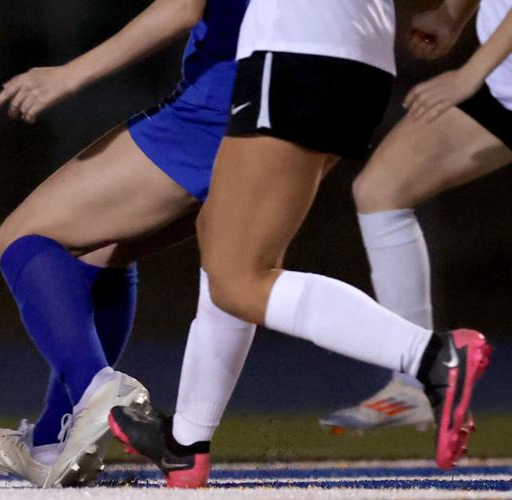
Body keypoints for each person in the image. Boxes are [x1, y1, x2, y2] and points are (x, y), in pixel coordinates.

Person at [109, 0, 494, 488]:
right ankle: (186, 443)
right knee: (222, 232)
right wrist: (451, 15)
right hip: (359, 54)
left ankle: (432, 356)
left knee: (240, 278)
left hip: (298, 40)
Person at [0, 0, 251, 488]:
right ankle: (51, 441)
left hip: (218, 104)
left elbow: (185, 6)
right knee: (104, 246)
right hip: (281, 114)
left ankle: (97, 391)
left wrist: (71, 74)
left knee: (21, 236)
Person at [321, 0, 512, 434]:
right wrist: (452, 16)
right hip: (505, 87)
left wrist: (469, 73)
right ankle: (416, 383)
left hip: (493, 76)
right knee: (381, 189)